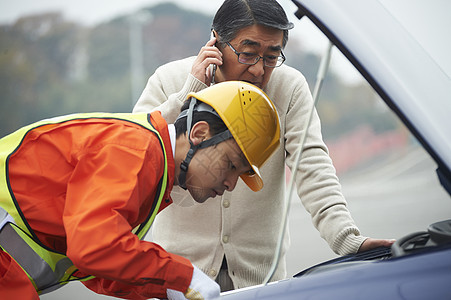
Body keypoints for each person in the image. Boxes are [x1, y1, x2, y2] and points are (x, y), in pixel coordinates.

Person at [133, 0, 395, 292]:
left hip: (261, 281)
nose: (259, 70)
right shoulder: (169, 80)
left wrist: (347, 239)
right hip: (179, 279)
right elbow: (137, 152)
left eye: (271, 57)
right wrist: (189, 91)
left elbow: (312, 166)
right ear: (216, 42)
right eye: (247, 54)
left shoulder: (289, 88)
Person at [0, 81, 280, 300]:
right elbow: (93, 247)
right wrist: (182, 275)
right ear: (199, 133)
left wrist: (168, 287)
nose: (231, 183)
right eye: (230, 164)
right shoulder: (134, 150)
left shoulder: (152, 169)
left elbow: (96, 267)